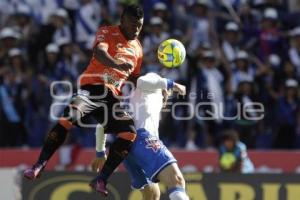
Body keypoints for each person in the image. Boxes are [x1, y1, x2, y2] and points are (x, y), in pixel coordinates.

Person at [23, 4, 144, 197]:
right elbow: (99, 53)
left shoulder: (138, 47)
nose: (136, 29)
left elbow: (134, 76)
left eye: (139, 25)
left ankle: (101, 179)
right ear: (122, 20)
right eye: (132, 24)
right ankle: (39, 164)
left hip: (112, 98)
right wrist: (117, 64)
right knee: (67, 118)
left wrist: (156, 85)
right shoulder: (107, 32)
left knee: (129, 133)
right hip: (92, 89)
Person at [91, 73, 189, 200]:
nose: (168, 96)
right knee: (176, 180)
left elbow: (100, 126)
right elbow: (142, 81)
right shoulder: (151, 84)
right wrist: (173, 84)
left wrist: (100, 153)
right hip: (143, 140)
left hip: (127, 151)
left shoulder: (127, 100)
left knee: (152, 195)